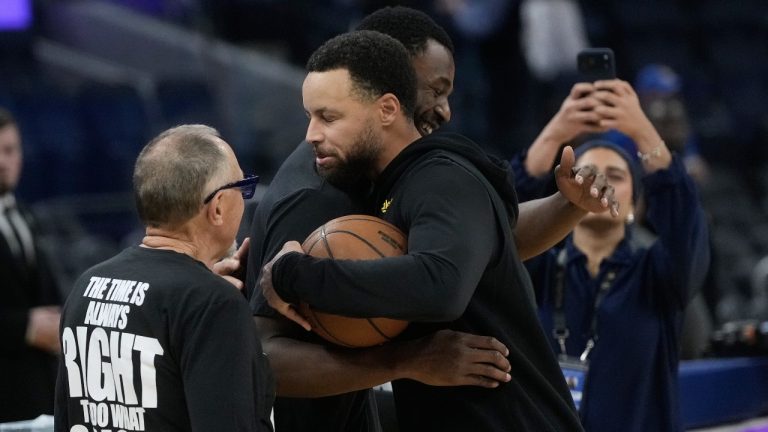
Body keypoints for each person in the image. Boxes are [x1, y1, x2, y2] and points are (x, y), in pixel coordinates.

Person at [246, 7, 616, 431]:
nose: (444, 110)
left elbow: (473, 252)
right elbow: (263, 359)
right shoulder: (319, 193)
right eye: (434, 89)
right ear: (387, 87)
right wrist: (405, 360)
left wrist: (567, 205)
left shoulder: (420, 176)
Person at [516, 80, 710, 431]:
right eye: (586, 174)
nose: (598, 183)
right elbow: (503, 221)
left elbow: (686, 225)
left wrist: (641, 128)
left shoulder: (657, 274)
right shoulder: (539, 268)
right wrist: (555, 134)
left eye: (616, 175)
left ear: (637, 203)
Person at [54, 125, 274, 431]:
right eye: (242, 187)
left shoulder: (87, 286)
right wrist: (209, 304)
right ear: (219, 207)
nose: (244, 199)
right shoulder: (214, 305)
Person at [0, 107, 62, 422]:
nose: (3, 162)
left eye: (10, 150)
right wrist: (25, 327)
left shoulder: (26, 214)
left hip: (39, 394)